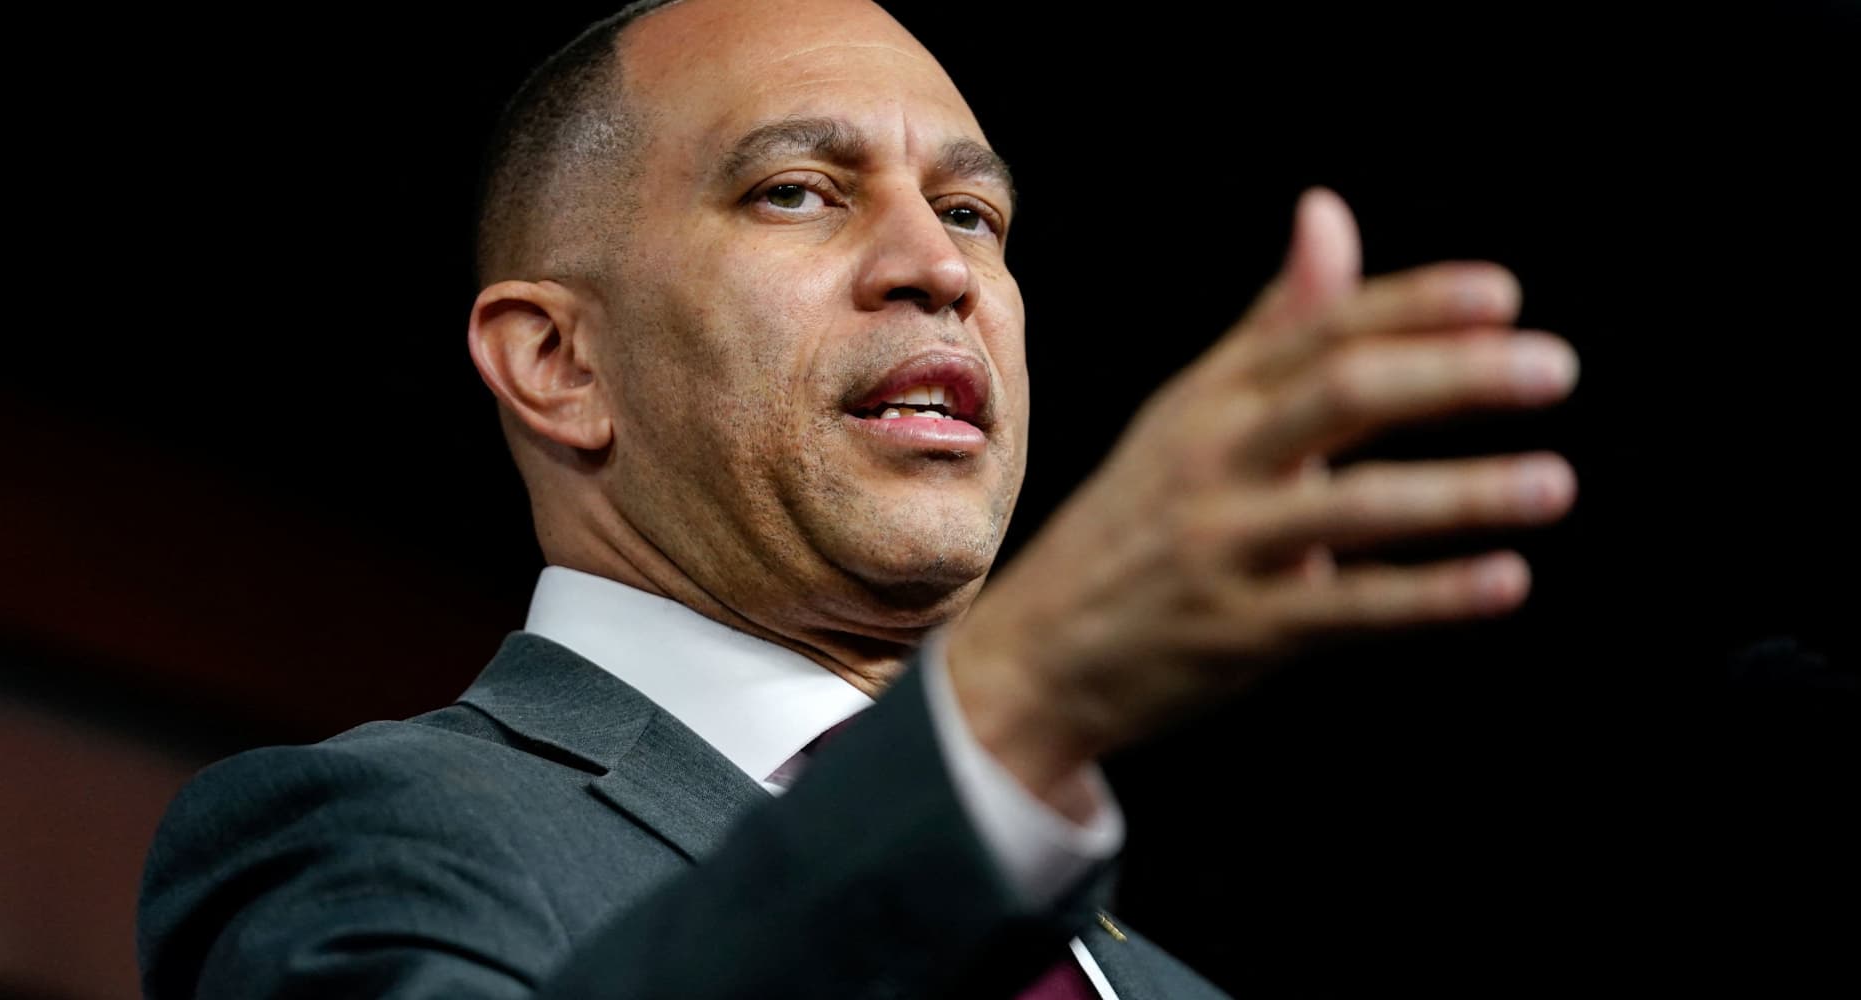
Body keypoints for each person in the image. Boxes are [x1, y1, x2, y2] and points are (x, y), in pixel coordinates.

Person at [137, 0, 1580, 996]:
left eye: (969, 213)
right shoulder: (372, 835)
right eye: (796, 191)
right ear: (557, 361)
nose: (937, 266)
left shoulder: (1152, 982)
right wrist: (1006, 709)